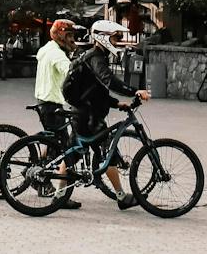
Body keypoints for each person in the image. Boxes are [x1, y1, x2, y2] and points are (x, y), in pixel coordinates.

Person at [63, 19, 151, 210]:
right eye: (116, 37)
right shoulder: (96, 57)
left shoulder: (95, 56)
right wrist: (134, 91)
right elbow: (108, 81)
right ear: (103, 38)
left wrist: (116, 103)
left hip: (84, 111)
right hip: (88, 116)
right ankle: (121, 196)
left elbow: (96, 90)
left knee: (73, 153)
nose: (118, 41)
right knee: (105, 152)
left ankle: (59, 196)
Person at [33, 20, 82, 209]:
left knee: (53, 141)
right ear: (60, 35)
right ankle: (53, 189)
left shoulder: (47, 48)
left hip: (44, 100)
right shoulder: (56, 54)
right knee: (64, 147)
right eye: (69, 35)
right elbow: (69, 71)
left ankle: (38, 174)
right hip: (52, 103)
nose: (73, 39)